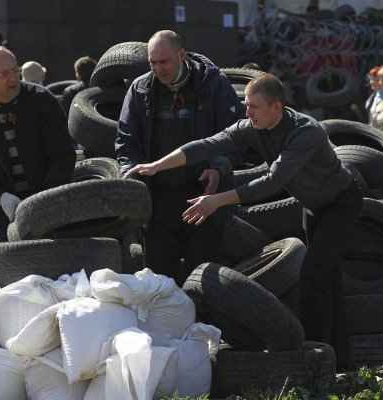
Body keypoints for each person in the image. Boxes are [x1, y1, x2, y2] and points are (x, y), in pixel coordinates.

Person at [126, 73, 363, 347]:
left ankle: (316, 352)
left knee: (313, 273)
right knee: (327, 277)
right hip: (312, 206)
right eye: (246, 105)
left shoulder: (306, 132)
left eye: (253, 106)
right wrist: (157, 165)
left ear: (277, 107)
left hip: (341, 202)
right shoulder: (252, 125)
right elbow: (208, 144)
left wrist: (215, 201)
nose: (246, 111)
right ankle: (339, 355)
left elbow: (272, 181)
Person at [116, 30, 243, 283]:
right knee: (160, 280)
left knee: (204, 278)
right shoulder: (140, 89)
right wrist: (130, 172)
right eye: (153, 63)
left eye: (164, 62)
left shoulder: (213, 84)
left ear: (181, 55)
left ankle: (205, 322)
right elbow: (126, 140)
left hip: (204, 198)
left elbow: (235, 135)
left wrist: (218, 168)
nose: (158, 69)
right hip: (159, 200)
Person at [0, 46, 76, 241]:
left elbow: (63, 154)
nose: (13, 79)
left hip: (50, 201)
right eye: (4, 74)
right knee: (14, 263)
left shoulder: (42, 101)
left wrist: (45, 196)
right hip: (4, 209)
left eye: (15, 71)